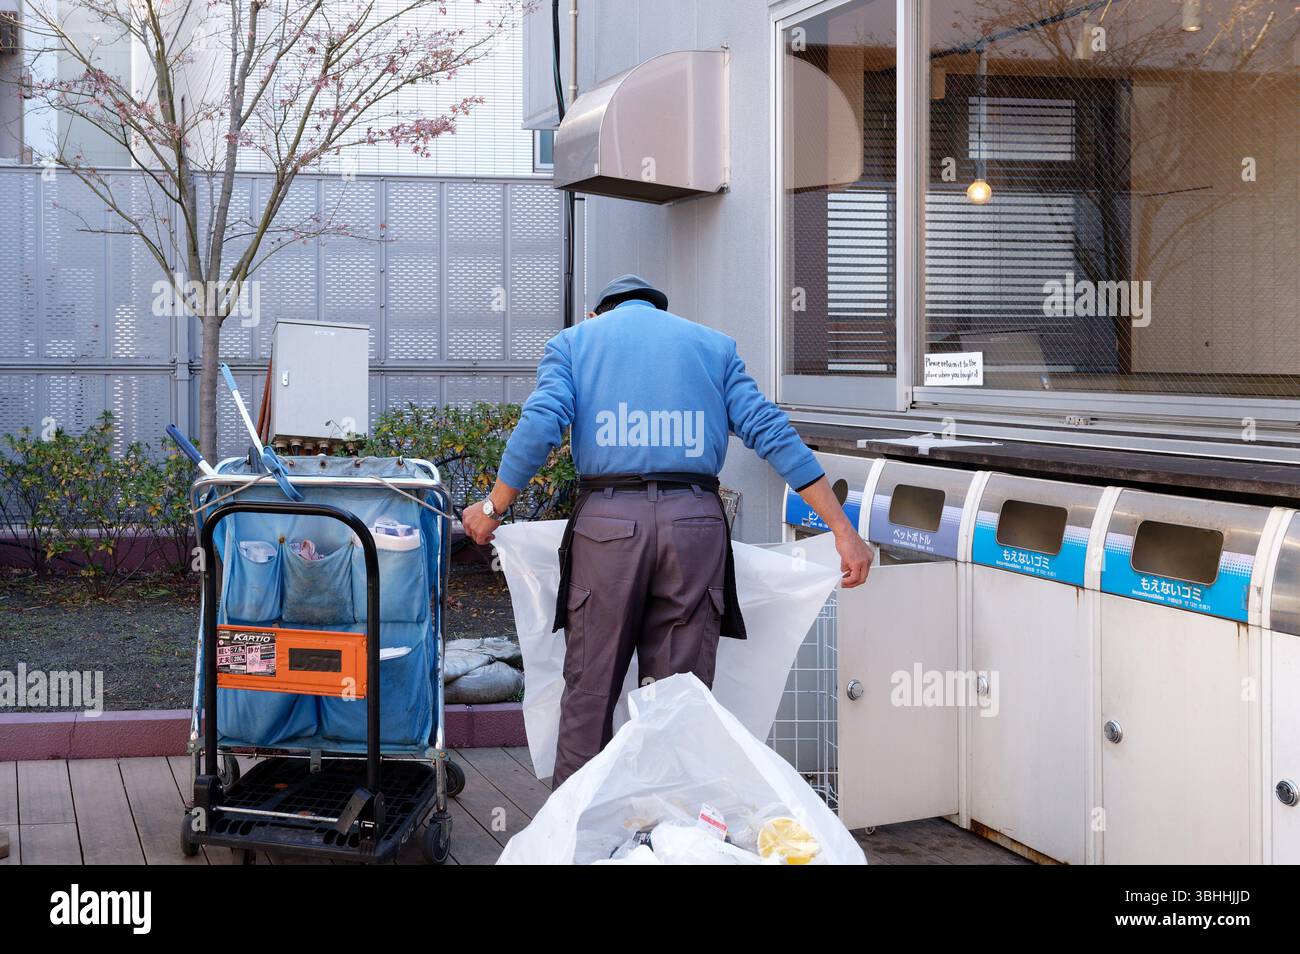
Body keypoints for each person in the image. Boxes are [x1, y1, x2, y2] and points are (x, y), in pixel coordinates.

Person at [462, 275, 872, 785]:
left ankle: (574, 836)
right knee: (677, 694)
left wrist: (493, 507)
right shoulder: (713, 346)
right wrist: (842, 530)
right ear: (661, 309)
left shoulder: (574, 343)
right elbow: (771, 432)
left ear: (600, 312)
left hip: (608, 525)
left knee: (591, 686)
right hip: (694, 523)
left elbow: (541, 424)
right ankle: (666, 832)